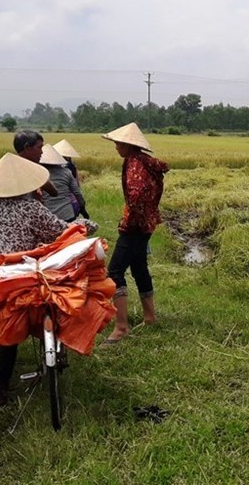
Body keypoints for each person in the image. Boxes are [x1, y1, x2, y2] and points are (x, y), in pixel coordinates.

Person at [0, 153, 98, 405]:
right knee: (11, 330)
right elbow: (61, 230)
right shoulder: (31, 207)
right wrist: (86, 225)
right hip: (14, 280)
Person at [101, 122, 169, 344]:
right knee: (139, 267)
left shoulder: (134, 164)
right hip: (147, 223)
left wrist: (134, 219)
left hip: (136, 226)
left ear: (128, 145)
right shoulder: (146, 162)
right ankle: (149, 317)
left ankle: (121, 327)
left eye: (118, 143)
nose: (116, 147)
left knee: (115, 271)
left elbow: (136, 195)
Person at [40, 143, 87, 223]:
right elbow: (77, 192)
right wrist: (82, 207)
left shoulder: (38, 173)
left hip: (47, 215)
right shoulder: (67, 172)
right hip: (67, 214)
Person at [13, 129, 58, 197]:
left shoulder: (5, 167)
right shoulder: (33, 170)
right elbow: (54, 192)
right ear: (27, 148)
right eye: (39, 147)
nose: (42, 152)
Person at [54, 138, 90, 219]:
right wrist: (82, 205)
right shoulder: (71, 166)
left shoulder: (46, 169)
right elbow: (76, 186)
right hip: (69, 196)